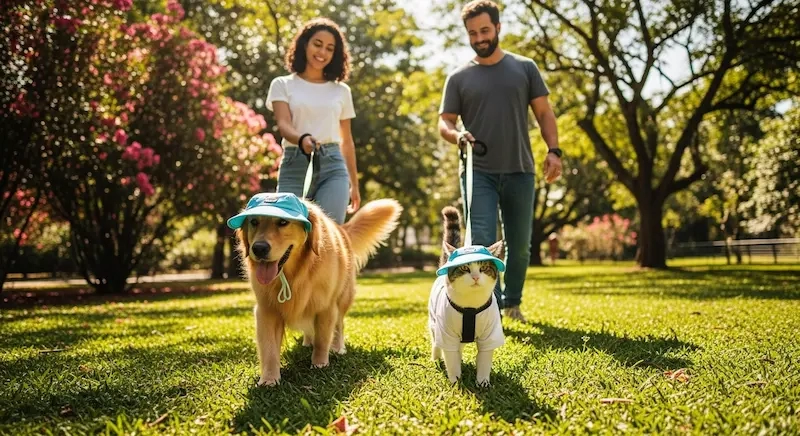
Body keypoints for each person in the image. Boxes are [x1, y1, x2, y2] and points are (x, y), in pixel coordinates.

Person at [438, 0, 563, 322]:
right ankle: (489, 307)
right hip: (478, 171)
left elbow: (544, 113)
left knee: (519, 246)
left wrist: (554, 150)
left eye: (484, 30)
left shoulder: (525, 68)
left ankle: (512, 302)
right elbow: (445, 121)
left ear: (497, 27)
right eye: (472, 33)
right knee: (481, 240)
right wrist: (457, 134)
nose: (479, 38)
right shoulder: (459, 77)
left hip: (520, 169)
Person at [266, 18, 360, 224]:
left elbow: (347, 141)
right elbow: (284, 125)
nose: (322, 52)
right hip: (295, 163)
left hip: (333, 166)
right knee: (289, 230)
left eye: (329, 48)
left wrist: (354, 184)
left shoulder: (341, 91)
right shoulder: (282, 84)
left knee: (328, 234)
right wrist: (302, 139)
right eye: (317, 44)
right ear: (305, 44)